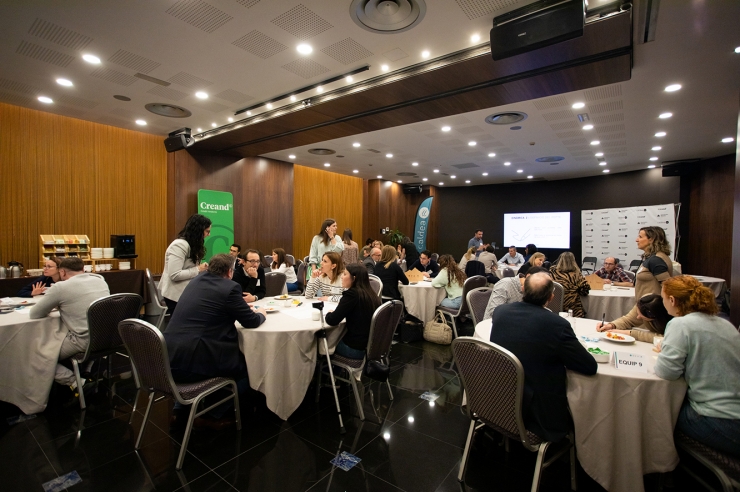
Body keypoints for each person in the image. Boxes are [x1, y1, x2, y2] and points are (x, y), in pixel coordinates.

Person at [489, 272, 597, 442]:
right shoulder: (557, 324)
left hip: (498, 399)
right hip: (536, 415)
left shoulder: (501, 312)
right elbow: (589, 366)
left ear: (523, 290)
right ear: (551, 297)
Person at [164, 254, 267, 428]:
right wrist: (261, 314)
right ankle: (212, 415)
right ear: (229, 272)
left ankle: (179, 410)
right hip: (194, 360)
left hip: (168, 357)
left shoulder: (195, 282)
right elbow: (251, 321)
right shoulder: (230, 287)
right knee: (250, 367)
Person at [654, 276, 740, 458]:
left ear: (672, 300)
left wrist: (665, 352)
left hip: (717, 419)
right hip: (734, 413)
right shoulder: (726, 325)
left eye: (663, 299)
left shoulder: (680, 324)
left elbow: (666, 372)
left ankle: (663, 470)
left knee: (656, 414)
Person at [29, 257, 110, 395]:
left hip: (84, 341)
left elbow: (35, 314)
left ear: (63, 272)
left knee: (35, 356)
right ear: (83, 269)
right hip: (108, 337)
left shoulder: (61, 287)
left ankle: (75, 382)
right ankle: (87, 371)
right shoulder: (100, 280)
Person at [600, 226, 673, 333]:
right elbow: (637, 311)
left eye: (640, 236)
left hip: (656, 317)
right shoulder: (652, 259)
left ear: (651, 239)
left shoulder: (656, 260)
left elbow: (669, 288)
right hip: (649, 312)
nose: (636, 239)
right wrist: (613, 325)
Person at [325, 264, 382, 359]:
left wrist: (329, 313)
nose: (342, 277)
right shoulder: (371, 294)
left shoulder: (352, 295)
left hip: (354, 348)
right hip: (370, 346)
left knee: (323, 343)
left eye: (344, 274)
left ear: (354, 278)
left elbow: (332, 320)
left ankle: (323, 370)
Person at [159, 214, 211, 315]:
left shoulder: (191, 244)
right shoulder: (179, 245)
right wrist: (198, 269)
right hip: (175, 295)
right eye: (207, 231)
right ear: (198, 230)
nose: (209, 234)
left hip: (186, 292)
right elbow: (175, 275)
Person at [597, 293, 672, 342]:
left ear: (652, 316)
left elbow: (665, 338)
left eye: (641, 316)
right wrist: (612, 325)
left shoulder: (673, 319)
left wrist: (630, 333)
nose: (638, 317)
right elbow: (628, 320)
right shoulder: (643, 304)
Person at [483, 266, 548, 320]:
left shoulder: (533, 290)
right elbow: (494, 312)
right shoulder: (505, 284)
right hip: (494, 325)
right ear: (528, 277)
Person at [549, 252, 590, 317]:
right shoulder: (576, 274)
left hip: (553, 305)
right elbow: (585, 291)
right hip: (571, 308)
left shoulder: (552, 272)